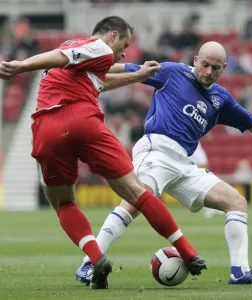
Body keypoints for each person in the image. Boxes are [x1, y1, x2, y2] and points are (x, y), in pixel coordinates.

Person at [0, 16, 206, 289]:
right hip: (83, 120)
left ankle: (96, 258)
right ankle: (188, 251)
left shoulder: (81, 54)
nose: (124, 52)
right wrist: (21, 66)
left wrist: (137, 75)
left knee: (63, 204)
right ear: (112, 35)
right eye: (125, 44)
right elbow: (61, 56)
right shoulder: (97, 46)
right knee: (138, 193)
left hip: (47, 128)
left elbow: (99, 81)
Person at [76, 41, 252, 286]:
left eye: (215, 68)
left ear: (224, 68)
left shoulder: (220, 98)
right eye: (204, 65)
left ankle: (240, 272)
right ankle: (89, 263)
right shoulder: (173, 72)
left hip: (185, 162)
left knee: (236, 201)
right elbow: (129, 69)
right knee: (135, 202)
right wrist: (92, 71)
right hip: (157, 150)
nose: (208, 72)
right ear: (195, 60)